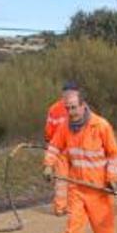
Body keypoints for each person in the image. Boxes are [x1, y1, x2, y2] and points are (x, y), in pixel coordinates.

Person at [43, 88, 117, 233]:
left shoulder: (101, 126)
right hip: (77, 185)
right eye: (68, 108)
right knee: (73, 224)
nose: (71, 112)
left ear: (83, 105)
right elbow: (54, 146)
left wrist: (111, 179)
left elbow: (114, 155)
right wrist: (48, 165)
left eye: (74, 107)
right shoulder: (65, 127)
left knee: (102, 224)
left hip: (98, 187)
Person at [44, 81, 79, 216]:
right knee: (66, 180)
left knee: (68, 180)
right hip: (66, 149)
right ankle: (65, 207)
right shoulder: (56, 109)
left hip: (70, 149)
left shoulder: (55, 108)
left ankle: (64, 207)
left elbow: (48, 130)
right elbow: (49, 131)